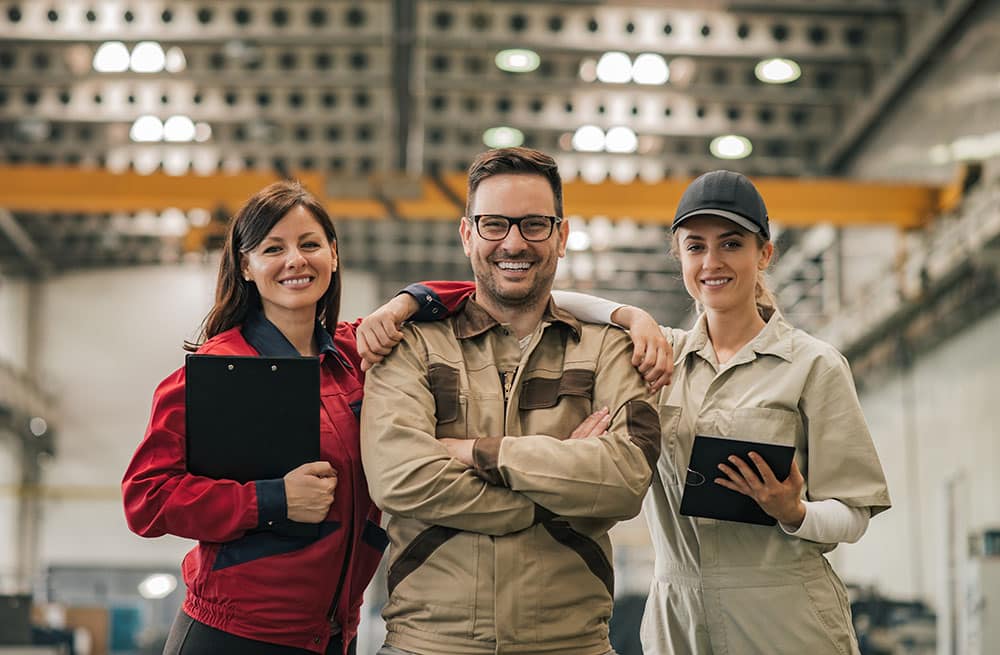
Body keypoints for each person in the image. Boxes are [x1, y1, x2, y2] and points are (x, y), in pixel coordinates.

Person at [121, 181, 470, 655]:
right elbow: (145, 499)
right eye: (273, 248)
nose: (296, 260)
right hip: (234, 637)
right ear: (246, 265)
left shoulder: (356, 354)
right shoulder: (216, 372)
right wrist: (270, 500)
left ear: (334, 255)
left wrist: (402, 303)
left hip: (331, 637)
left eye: (310, 244)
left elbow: (473, 293)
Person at [563, 170, 892, 654]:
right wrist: (631, 315)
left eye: (731, 244)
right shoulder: (658, 357)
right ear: (679, 259)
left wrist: (794, 511)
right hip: (679, 620)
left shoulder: (813, 365)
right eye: (695, 247)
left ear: (764, 254)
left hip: (785, 617)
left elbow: (853, 516)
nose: (712, 262)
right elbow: (551, 302)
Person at [358, 147, 662, 655]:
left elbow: (623, 481)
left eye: (535, 224)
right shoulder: (409, 344)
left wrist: (480, 451)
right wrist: (554, 487)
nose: (514, 243)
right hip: (429, 642)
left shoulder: (609, 347)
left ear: (561, 236)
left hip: (571, 643)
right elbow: (399, 479)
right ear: (467, 234)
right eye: (494, 224)